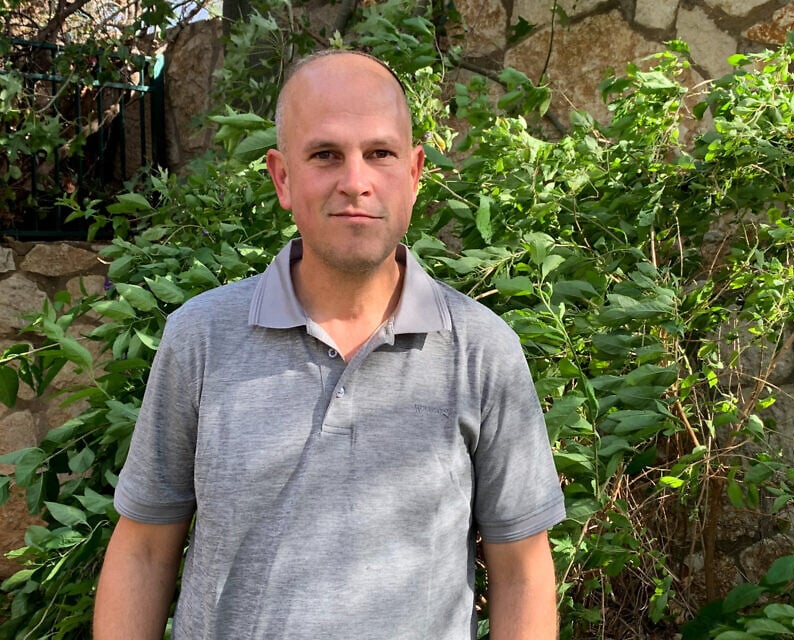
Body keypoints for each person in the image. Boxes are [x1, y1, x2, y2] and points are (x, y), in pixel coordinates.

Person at [93, 50, 565, 639]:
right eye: (325, 155)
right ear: (282, 178)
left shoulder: (483, 352)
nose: (355, 182)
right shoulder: (201, 338)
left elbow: (522, 572)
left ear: (414, 173)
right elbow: (143, 550)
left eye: (380, 153)